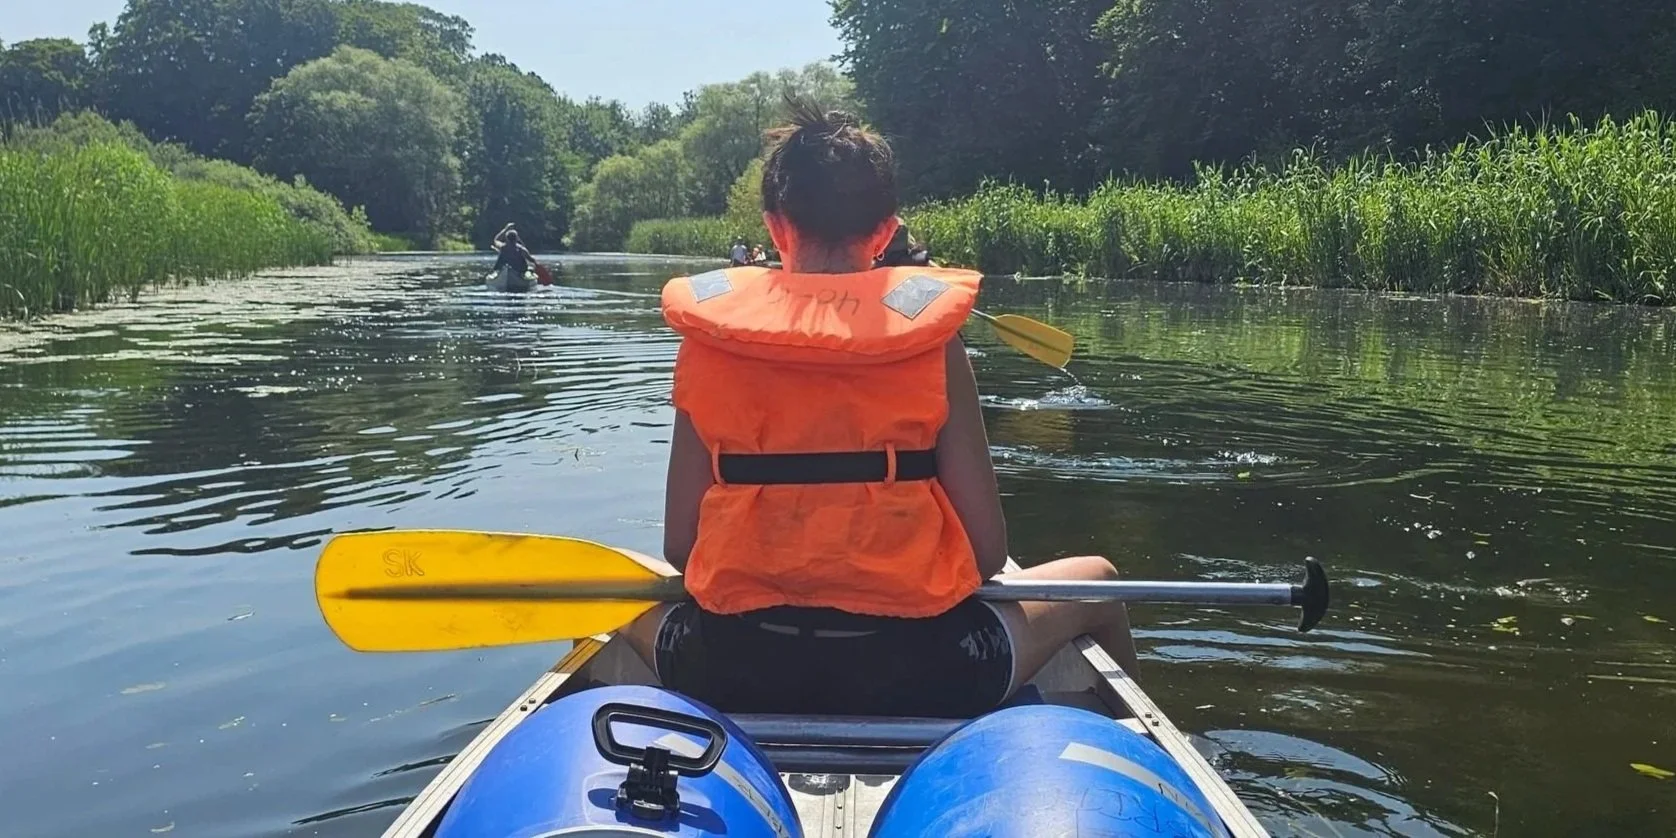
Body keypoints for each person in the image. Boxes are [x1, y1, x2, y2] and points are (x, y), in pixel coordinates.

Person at [622, 97, 1140, 719]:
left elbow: (682, 547)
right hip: (929, 670)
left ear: (775, 227)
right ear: (885, 231)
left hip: (731, 667)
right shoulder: (934, 344)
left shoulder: (709, 342)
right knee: (1099, 578)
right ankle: (1131, 749)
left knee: (607, 599)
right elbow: (984, 553)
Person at [491, 224, 535, 290]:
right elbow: (531, 260)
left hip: (504, 269)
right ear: (516, 238)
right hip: (519, 272)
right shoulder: (522, 249)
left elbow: (496, 239)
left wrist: (506, 229)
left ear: (506, 238)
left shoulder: (502, 247)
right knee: (531, 268)